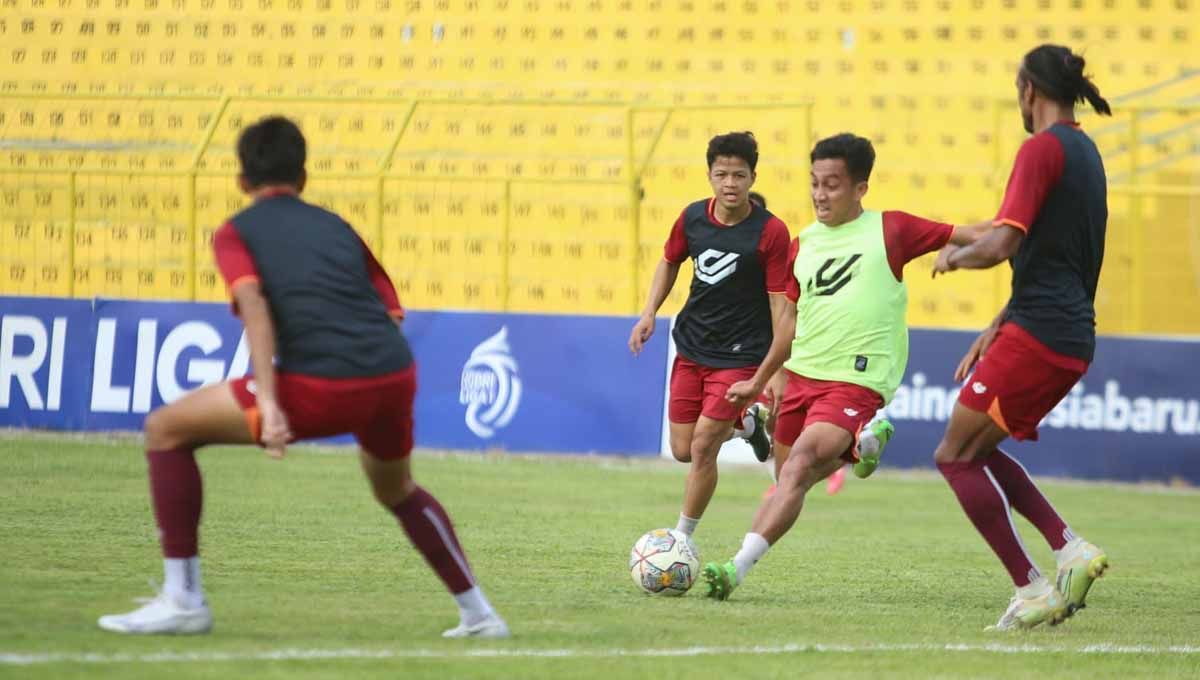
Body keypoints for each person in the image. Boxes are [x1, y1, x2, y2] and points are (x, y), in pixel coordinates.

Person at [97, 116, 509, 639]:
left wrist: (270, 404)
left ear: (242, 181)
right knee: (397, 488)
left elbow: (254, 305)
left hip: (320, 385)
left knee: (165, 429)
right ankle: (480, 615)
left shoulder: (235, 232)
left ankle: (182, 599)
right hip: (392, 375)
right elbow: (391, 311)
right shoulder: (336, 226)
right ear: (304, 177)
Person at [701, 132, 982, 599]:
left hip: (856, 377)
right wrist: (765, 377)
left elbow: (971, 233)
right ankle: (860, 449)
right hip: (804, 375)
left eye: (831, 184)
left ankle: (734, 569)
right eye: (814, 183)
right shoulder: (802, 244)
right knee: (789, 475)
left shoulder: (891, 229)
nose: (819, 194)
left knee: (801, 466)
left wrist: (1017, 231)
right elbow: (787, 322)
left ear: (860, 188)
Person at [930, 44, 1111, 630]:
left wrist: (955, 258)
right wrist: (995, 325)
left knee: (954, 457)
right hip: (1063, 331)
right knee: (976, 450)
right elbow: (1053, 257)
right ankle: (1069, 548)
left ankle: (1033, 586)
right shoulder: (1085, 151)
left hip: (1042, 331)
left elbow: (1003, 243)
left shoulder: (1040, 150)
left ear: (1028, 89)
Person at [629, 131, 792, 540]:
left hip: (741, 354)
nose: (730, 183)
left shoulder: (771, 232)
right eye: (722, 174)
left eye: (739, 175)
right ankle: (748, 426)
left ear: (753, 177)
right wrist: (649, 312)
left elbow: (779, 305)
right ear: (709, 176)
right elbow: (669, 262)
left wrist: (775, 367)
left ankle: (681, 539)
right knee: (684, 450)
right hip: (691, 345)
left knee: (703, 446)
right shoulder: (692, 218)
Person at [745, 190, 891, 499]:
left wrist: (779, 367)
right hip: (766, 347)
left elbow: (790, 313)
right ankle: (857, 446)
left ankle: (844, 454)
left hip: (801, 353)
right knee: (778, 436)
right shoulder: (738, 255)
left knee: (801, 436)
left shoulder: (784, 253)